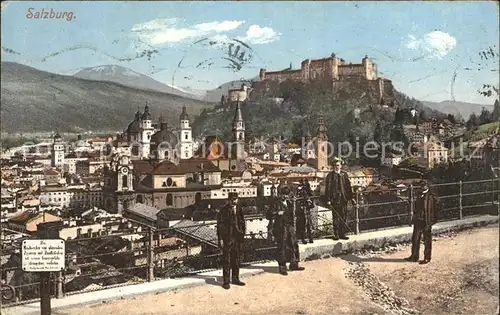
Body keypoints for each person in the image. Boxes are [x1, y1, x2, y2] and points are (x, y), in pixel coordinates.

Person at [266, 185, 305, 275]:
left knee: (294, 244)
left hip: (290, 227)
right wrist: (277, 213)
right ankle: (282, 267)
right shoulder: (275, 203)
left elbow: (297, 212)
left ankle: (294, 264)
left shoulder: (290, 203)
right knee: (282, 247)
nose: (285, 196)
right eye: (284, 194)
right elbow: (268, 215)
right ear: (280, 194)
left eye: (287, 194)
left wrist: (297, 205)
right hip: (280, 227)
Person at [216, 192, 246, 289]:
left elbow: (242, 222)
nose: (234, 201)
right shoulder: (223, 211)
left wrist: (242, 233)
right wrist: (220, 239)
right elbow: (220, 226)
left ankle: (235, 279)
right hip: (227, 238)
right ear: (228, 200)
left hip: (237, 238)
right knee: (227, 260)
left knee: (236, 259)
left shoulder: (239, 209)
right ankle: (226, 282)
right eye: (232, 199)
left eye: (236, 199)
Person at [405, 180, 439, 264]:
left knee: (427, 240)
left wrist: (432, 220)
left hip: (426, 220)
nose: (422, 187)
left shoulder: (431, 196)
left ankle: (427, 257)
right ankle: (414, 256)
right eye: (421, 185)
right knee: (415, 239)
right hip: (418, 220)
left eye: (424, 185)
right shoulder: (418, 194)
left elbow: (437, 209)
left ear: (427, 186)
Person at [324, 157, 356, 240]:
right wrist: (328, 199)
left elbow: (348, 187)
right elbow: (328, 188)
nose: (336, 167)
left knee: (344, 216)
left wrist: (351, 198)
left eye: (338, 165)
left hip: (344, 199)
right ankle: (336, 234)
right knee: (336, 217)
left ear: (341, 166)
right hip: (335, 200)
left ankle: (343, 234)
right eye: (335, 165)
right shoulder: (330, 176)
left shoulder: (344, 174)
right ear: (333, 166)